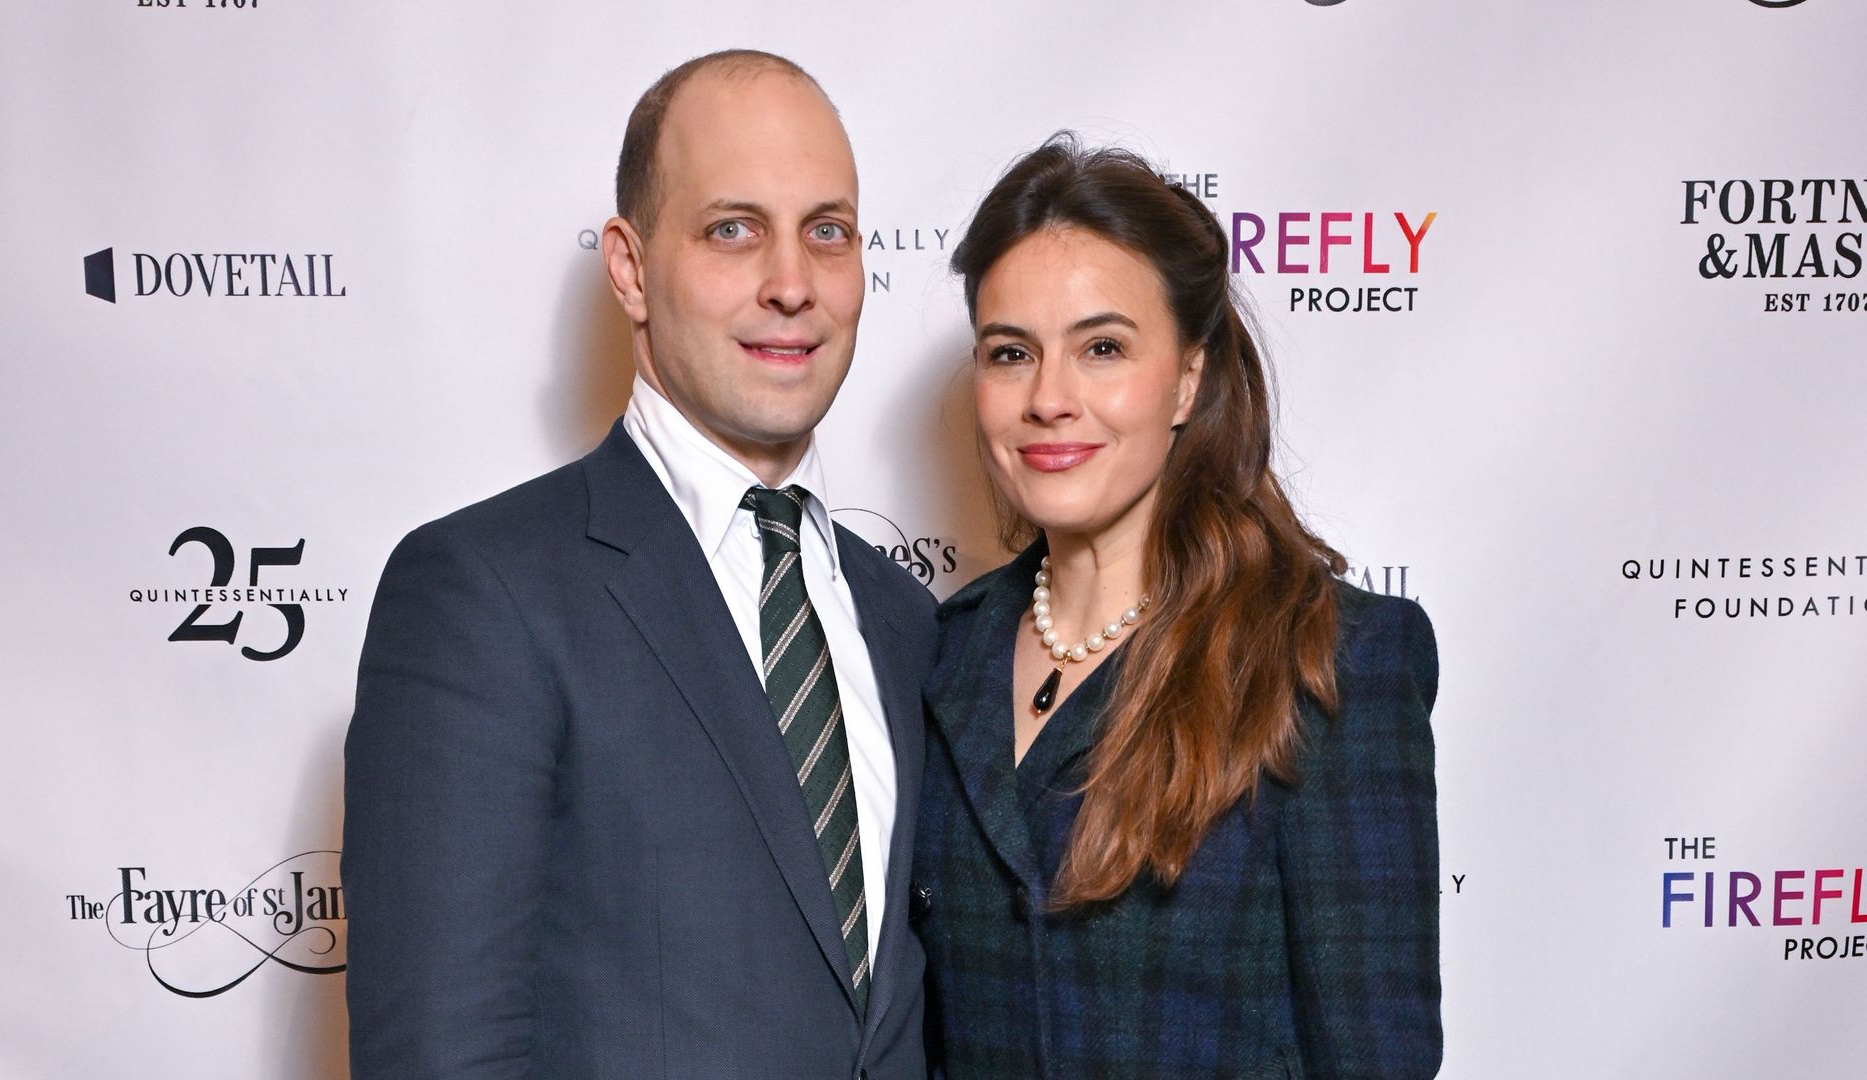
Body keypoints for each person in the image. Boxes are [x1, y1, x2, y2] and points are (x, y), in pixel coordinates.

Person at [342, 50, 938, 1079]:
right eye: (733, 230)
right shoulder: (482, 594)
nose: (792, 284)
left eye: (827, 232)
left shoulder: (905, 619)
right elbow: (442, 1054)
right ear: (630, 268)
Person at [912, 135, 1442, 1079]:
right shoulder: (940, 656)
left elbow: (1372, 1059)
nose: (1049, 399)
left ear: (1188, 378)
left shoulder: (1331, 659)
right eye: (1010, 353)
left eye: (1102, 348)